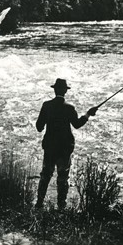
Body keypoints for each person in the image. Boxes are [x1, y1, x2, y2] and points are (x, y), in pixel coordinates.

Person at [35, 78, 98, 209]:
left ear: (54, 90)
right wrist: (87, 114)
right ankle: (61, 206)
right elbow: (77, 124)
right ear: (65, 91)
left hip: (50, 147)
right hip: (65, 148)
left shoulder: (46, 106)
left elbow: (39, 126)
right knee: (63, 177)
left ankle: (39, 203)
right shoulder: (70, 108)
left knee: (46, 175)